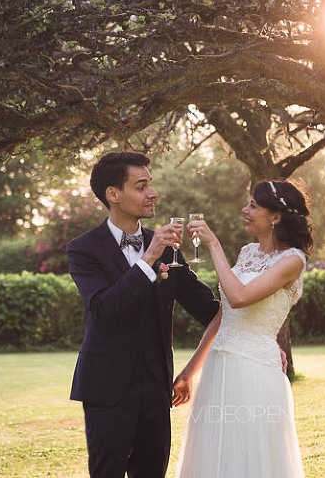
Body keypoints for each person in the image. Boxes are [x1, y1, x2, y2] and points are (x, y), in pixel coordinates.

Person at [66, 151, 220, 478]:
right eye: (142, 185)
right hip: (105, 388)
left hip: (156, 389)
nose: (153, 193)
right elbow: (103, 310)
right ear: (113, 194)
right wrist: (148, 258)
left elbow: (210, 310)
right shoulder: (83, 249)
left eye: (151, 184)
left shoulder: (169, 248)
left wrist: (259, 339)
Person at [172, 180, 312, 477]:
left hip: (254, 371)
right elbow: (223, 316)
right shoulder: (247, 253)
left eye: (252, 205)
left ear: (275, 216)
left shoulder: (293, 261)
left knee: (249, 457)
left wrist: (213, 244)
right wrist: (190, 371)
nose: (244, 210)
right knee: (214, 458)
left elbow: (239, 297)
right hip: (217, 368)